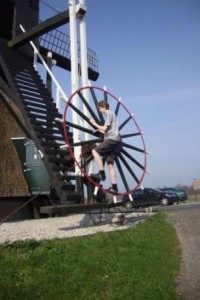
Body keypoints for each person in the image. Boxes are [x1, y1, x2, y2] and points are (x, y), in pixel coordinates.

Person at [90, 100, 122, 194]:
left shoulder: (108, 113)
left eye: (99, 108)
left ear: (103, 107)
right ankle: (115, 188)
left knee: (95, 151)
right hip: (117, 141)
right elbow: (106, 130)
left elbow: (104, 128)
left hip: (111, 140)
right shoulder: (113, 115)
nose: (99, 110)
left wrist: (94, 123)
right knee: (110, 165)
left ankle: (102, 174)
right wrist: (98, 130)